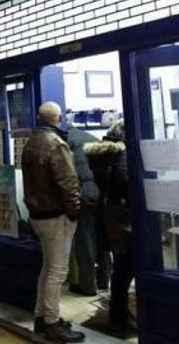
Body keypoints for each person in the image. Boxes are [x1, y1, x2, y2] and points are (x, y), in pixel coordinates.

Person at [22, 102, 85, 343]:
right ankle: (52, 324)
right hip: (55, 216)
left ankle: (42, 317)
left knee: (48, 268)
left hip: (38, 215)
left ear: (40, 117)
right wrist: (74, 212)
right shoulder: (56, 144)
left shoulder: (31, 143)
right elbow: (68, 183)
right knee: (58, 272)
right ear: (59, 118)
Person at [84, 121, 136, 332]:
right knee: (126, 268)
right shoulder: (121, 154)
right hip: (124, 218)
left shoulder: (102, 155)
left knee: (121, 268)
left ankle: (119, 312)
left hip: (110, 215)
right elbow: (125, 182)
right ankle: (119, 315)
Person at [66, 126, 110, 296]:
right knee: (102, 238)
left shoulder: (66, 141)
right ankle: (104, 281)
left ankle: (87, 285)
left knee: (85, 241)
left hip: (84, 195)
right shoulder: (93, 138)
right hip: (101, 193)